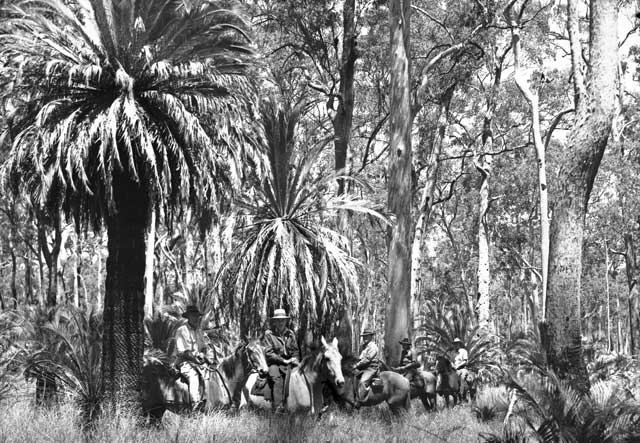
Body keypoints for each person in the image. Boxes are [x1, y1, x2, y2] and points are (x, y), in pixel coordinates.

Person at [174, 305, 215, 410]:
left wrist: (205, 355)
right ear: (188, 317)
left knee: (211, 374)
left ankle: (209, 400)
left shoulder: (200, 331)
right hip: (184, 362)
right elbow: (182, 351)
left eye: (197, 316)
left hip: (198, 362)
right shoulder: (181, 330)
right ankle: (195, 403)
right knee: (193, 375)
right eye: (193, 316)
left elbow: (205, 347)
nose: (196, 318)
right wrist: (196, 357)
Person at [263, 308, 300, 413]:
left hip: (289, 362)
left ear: (286, 321)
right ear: (274, 322)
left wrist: (296, 360)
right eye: (278, 320)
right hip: (274, 363)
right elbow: (269, 354)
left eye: (282, 320)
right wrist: (284, 361)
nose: (280, 323)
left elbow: (295, 351)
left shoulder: (290, 334)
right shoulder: (269, 334)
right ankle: (278, 407)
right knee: (276, 377)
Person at [354, 330, 379, 404]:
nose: (365, 338)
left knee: (363, 382)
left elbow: (367, 359)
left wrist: (356, 365)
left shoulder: (373, 347)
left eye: (367, 336)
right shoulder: (364, 347)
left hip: (371, 368)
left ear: (371, 337)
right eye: (364, 336)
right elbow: (360, 358)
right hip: (363, 367)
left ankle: (361, 401)